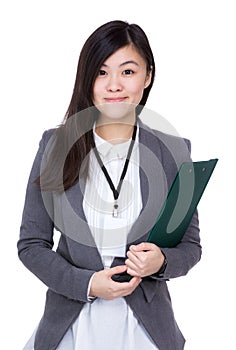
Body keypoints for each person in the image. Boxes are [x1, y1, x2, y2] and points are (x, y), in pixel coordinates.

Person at [17, 20, 201, 350]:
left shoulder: (175, 152)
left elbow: (190, 246)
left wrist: (161, 261)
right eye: (102, 72)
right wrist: (85, 283)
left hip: (146, 332)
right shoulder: (55, 146)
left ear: (147, 76)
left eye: (127, 71)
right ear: (87, 79)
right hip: (70, 331)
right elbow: (31, 244)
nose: (114, 84)